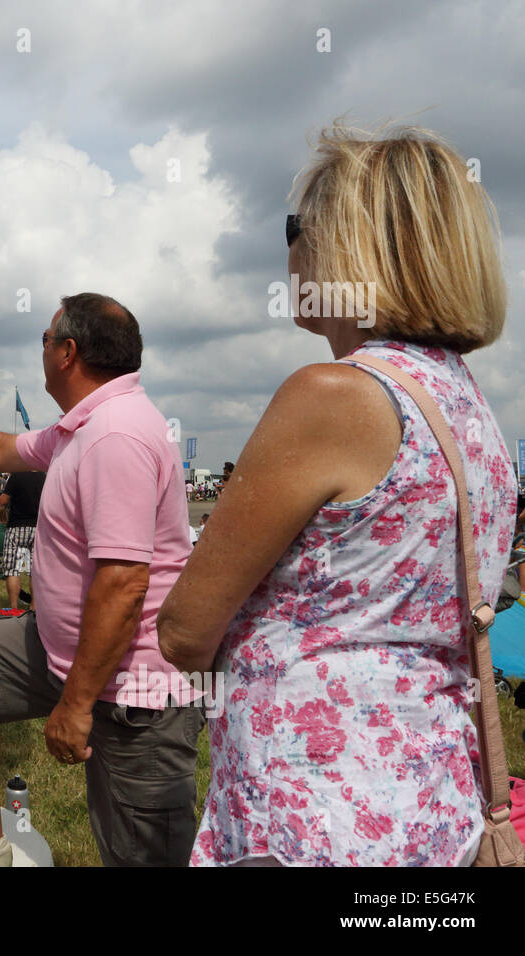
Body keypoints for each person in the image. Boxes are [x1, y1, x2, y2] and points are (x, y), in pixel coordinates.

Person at [159, 126, 514, 867]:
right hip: (431, 807)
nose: (288, 252)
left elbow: (185, 630)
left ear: (349, 248)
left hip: (312, 814)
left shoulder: (332, 397)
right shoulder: (471, 411)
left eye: (297, 229)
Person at [0, 293, 201, 867]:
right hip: (66, 652)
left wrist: (76, 706)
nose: (42, 348)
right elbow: (1, 447)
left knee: (141, 855)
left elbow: (124, 584)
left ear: (68, 352)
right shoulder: (83, 426)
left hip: (131, 687)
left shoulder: (114, 436)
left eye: (46, 338)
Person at [0, 469, 46, 611]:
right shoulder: (43, 476)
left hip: (16, 527)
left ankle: (13, 608)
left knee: (11, 570)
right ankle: (34, 607)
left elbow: (3, 500)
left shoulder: (17, 475)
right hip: (37, 527)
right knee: (35, 570)